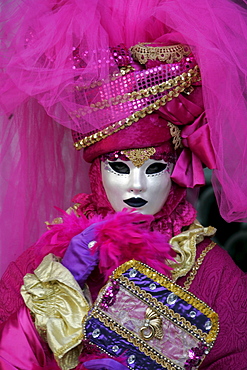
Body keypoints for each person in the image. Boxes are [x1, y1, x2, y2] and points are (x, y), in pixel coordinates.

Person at [0, 0, 247, 369]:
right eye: (118, 166)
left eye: (154, 168)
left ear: (177, 170)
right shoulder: (44, 264)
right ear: (97, 170)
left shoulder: (215, 277)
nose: (136, 185)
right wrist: (60, 284)